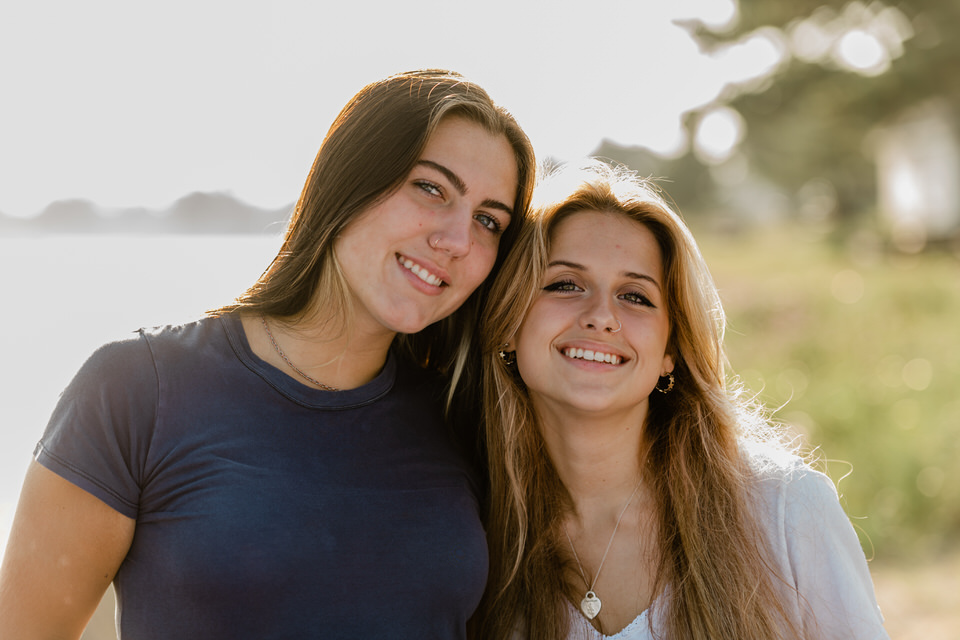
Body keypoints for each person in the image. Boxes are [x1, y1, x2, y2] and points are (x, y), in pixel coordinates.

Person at [0, 69, 535, 639]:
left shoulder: (471, 418)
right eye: (430, 188)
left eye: (487, 221)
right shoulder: (138, 389)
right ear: (351, 178)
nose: (456, 240)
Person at [473, 161, 889, 639]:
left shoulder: (785, 509)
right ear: (509, 321)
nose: (602, 317)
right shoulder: (471, 537)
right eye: (565, 284)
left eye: (635, 296)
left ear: (669, 351)